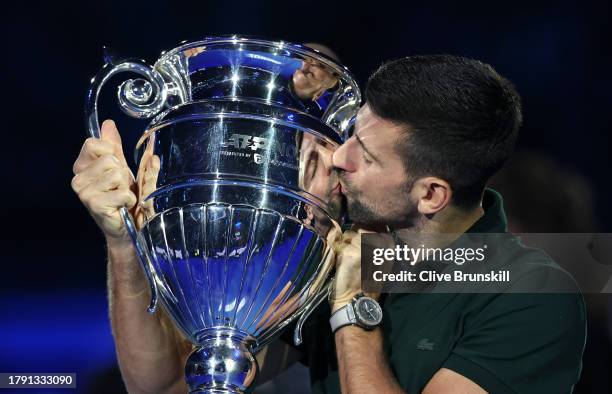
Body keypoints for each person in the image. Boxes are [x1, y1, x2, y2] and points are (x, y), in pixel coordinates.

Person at [72, 54, 586, 393]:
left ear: (430, 194)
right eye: (350, 135)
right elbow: (162, 386)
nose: (337, 157)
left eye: (364, 155)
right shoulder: (340, 247)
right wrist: (124, 243)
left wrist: (350, 312)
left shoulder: (534, 295)